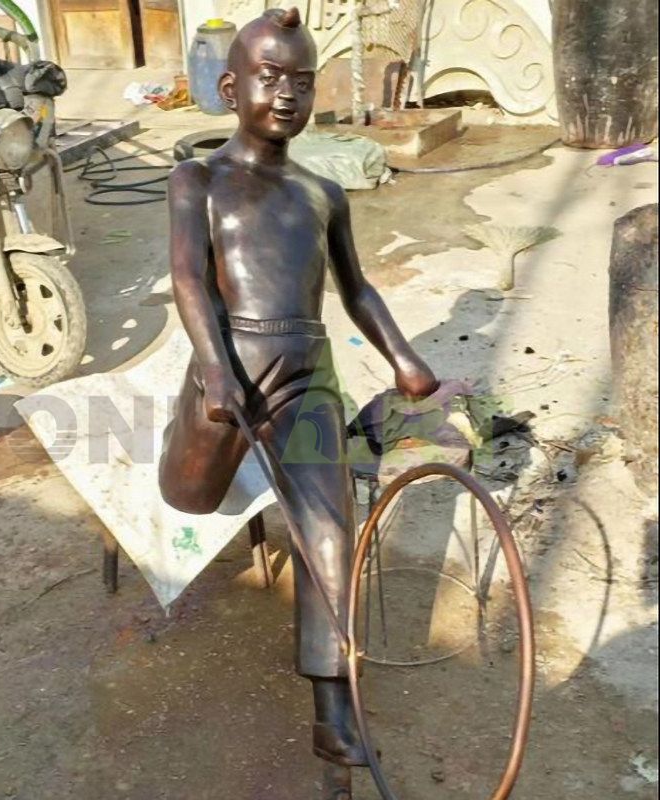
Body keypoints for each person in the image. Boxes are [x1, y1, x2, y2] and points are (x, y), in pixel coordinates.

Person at [159, 6, 438, 772]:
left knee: (329, 529)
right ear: (230, 84)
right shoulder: (199, 178)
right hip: (230, 362)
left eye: (303, 81)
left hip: (309, 374)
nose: (287, 93)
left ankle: (332, 707)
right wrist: (215, 367)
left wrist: (402, 358)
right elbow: (187, 277)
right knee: (187, 494)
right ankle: (180, 438)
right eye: (269, 76)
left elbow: (359, 291)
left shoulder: (324, 193)